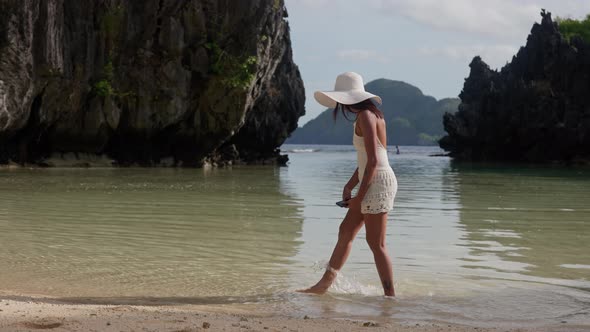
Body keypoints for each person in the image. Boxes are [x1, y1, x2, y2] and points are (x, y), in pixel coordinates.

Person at [298, 72, 398, 296]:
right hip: (372, 178)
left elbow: (374, 161)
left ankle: (390, 298)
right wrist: (349, 185)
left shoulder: (365, 116)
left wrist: (359, 198)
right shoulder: (373, 115)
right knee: (346, 231)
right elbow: (369, 158)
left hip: (378, 182)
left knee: (376, 244)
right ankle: (322, 286)